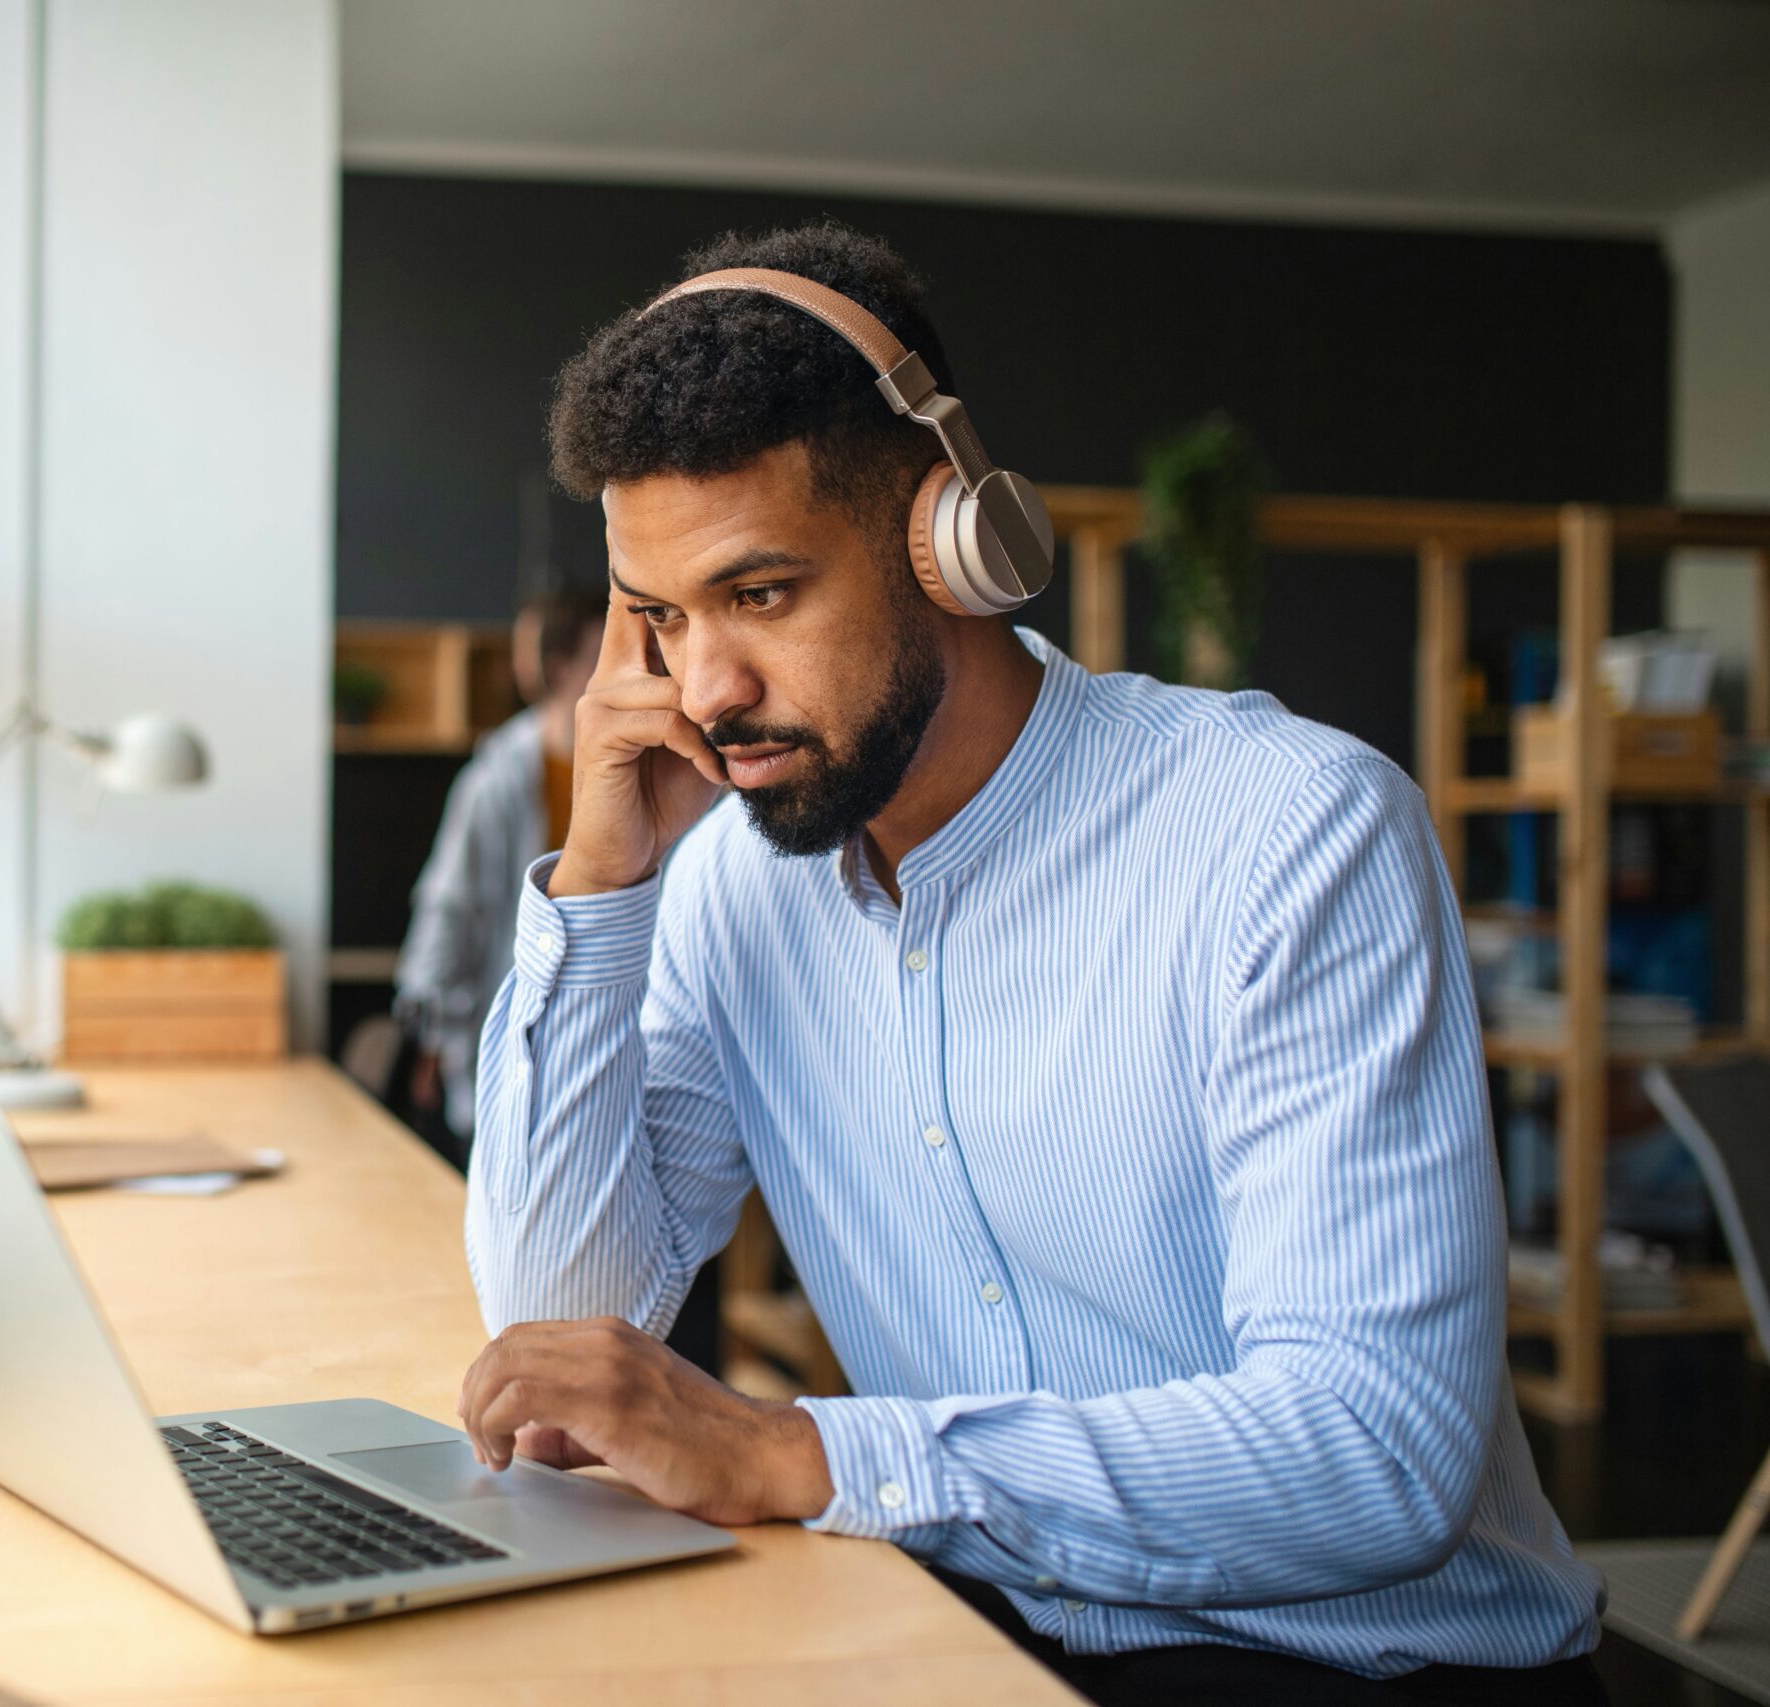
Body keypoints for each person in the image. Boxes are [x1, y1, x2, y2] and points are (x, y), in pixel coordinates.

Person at [452, 223, 1606, 1705]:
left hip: (1369, 1671)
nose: (710, 690)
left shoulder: (1289, 831)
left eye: (762, 594)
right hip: (988, 1639)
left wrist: (796, 1452)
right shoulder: (728, 884)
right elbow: (557, 1321)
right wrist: (602, 880)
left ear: (951, 541)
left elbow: (1377, 1451)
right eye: (662, 620)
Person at [395, 586, 609, 1158]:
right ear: (561, 670)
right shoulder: (499, 779)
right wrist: (435, 1036)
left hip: (606, 1030)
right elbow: (451, 904)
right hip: (515, 1035)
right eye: (604, 655)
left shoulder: (654, 770)